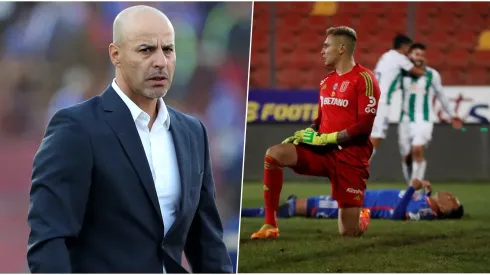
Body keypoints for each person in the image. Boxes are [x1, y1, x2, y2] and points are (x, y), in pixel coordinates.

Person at [27, 5, 232, 273]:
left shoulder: (193, 133)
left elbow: (208, 245)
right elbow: (49, 242)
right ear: (116, 55)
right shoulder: (76, 128)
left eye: (167, 49)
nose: (160, 61)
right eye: (146, 49)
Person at [251, 26, 380, 239]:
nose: (322, 50)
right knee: (274, 154)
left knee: (348, 232)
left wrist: (329, 138)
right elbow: (320, 121)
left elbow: (364, 126)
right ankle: (270, 225)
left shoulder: (365, 79)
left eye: (326, 45)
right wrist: (303, 133)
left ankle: (362, 217)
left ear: (341, 48)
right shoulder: (326, 81)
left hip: (351, 158)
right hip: (322, 152)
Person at [242, 179, 464, 221]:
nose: (450, 195)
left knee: (292, 207)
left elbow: (398, 215)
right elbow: (418, 202)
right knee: (299, 203)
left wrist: (409, 189)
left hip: (357, 206)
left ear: (444, 209)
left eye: (453, 201)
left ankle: (245, 213)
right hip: (359, 195)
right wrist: (425, 191)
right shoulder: (426, 203)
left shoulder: (424, 213)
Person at [397, 43, 462, 182]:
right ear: (409, 56)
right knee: (406, 156)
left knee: (417, 149)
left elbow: (441, 95)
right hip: (405, 120)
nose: (419, 57)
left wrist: (452, 115)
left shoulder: (432, 74)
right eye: (416, 54)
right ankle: (410, 185)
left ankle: (414, 190)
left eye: (421, 54)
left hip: (424, 119)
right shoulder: (402, 74)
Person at [370, 34, 426, 159]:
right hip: (381, 101)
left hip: (370, 99)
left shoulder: (386, 56)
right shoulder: (400, 58)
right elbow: (419, 73)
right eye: (410, 48)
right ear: (405, 47)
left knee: (368, 135)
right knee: (377, 135)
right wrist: (422, 63)